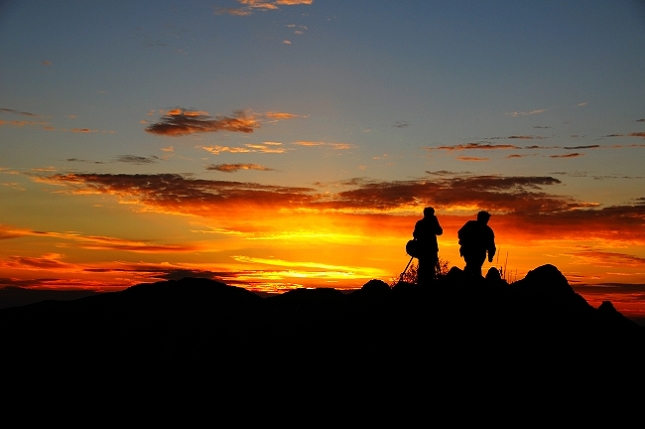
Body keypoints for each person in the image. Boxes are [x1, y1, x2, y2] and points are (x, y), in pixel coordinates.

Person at [458, 211, 496, 277]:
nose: (486, 220)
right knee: (474, 267)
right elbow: (460, 233)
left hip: (477, 252)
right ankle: (472, 281)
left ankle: (469, 279)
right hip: (469, 250)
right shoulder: (471, 225)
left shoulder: (487, 230)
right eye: (485, 219)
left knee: (474, 267)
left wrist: (490, 256)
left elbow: (491, 246)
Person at [412, 207, 443, 284]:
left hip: (423, 251)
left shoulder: (419, 223)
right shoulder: (431, 223)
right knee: (430, 269)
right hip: (430, 250)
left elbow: (415, 235)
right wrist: (435, 222)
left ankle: (423, 284)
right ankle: (428, 285)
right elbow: (439, 231)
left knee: (423, 268)